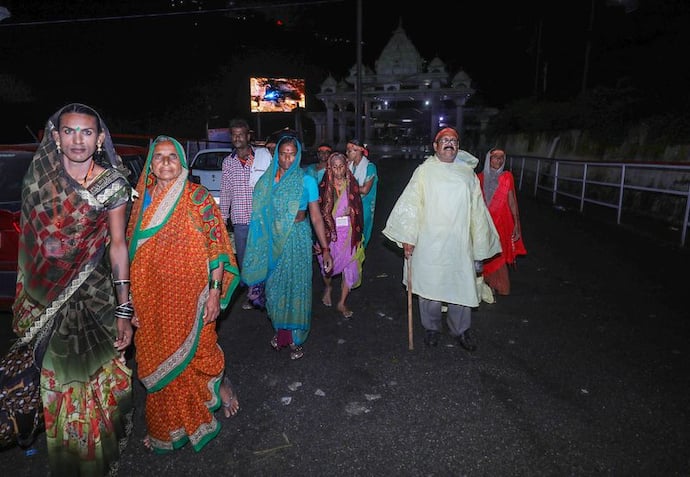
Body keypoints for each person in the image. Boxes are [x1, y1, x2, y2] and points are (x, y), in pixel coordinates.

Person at [8, 103, 134, 475]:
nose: (77, 139)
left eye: (86, 132)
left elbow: (118, 245)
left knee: (99, 379)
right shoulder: (39, 183)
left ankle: (98, 457)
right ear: (56, 138)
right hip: (47, 301)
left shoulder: (112, 184)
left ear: (99, 140)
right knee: (59, 386)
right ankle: (72, 460)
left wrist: (124, 308)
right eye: (69, 131)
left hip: (96, 299)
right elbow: (30, 245)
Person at [126, 136, 241, 454]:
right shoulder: (141, 202)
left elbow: (217, 248)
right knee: (156, 360)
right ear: (150, 163)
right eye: (158, 157)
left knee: (199, 351)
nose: (164, 163)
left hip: (194, 297)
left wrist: (215, 293)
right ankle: (165, 426)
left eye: (171, 157)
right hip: (151, 299)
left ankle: (221, 387)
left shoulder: (199, 197)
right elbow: (133, 255)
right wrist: (132, 302)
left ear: (182, 163)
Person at [382, 127, 501, 351]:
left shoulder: (468, 174)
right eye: (444, 140)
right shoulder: (424, 172)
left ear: (458, 146)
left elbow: (478, 210)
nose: (450, 144)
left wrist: (479, 244)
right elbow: (411, 206)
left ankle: (461, 330)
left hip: (459, 242)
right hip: (430, 242)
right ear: (435, 146)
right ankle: (432, 328)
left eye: (454, 141)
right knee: (430, 288)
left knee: (460, 286)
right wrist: (408, 237)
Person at [242, 135, 333, 360]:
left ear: (298, 154)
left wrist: (325, 248)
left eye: (292, 153)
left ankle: (295, 338)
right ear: (277, 155)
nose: (287, 158)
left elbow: (316, 217)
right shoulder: (267, 181)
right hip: (273, 241)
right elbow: (259, 214)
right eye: (283, 153)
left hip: (299, 237)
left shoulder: (306, 180)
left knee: (297, 287)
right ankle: (279, 330)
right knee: (275, 289)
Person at [218, 118, 271, 309]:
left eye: (241, 134)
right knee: (244, 259)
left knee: (263, 256)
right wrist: (222, 219)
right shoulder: (228, 163)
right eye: (234, 134)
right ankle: (251, 292)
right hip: (240, 220)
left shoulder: (262, 158)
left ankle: (264, 291)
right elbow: (225, 191)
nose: (238, 138)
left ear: (248, 135)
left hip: (261, 219)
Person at [317, 152, 365, 319]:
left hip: (349, 234)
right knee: (327, 268)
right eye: (334, 167)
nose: (338, 171)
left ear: (346, 166)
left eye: (341, 166)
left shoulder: (352, 185)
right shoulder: (324, 186)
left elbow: (358, 208)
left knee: (350, 267)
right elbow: (317, 214)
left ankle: (342, 302)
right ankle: (328, 287)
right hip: (330, 236)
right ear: (330, 168)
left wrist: (351, 211)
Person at [477, 148, 527, 295]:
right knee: (486, 252)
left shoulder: (507, 177)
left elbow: (512, 202)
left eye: (501, 158)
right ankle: (487, 284)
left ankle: (499, 284)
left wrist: (516, 224)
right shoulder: (479, 178)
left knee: (499, 252)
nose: (498, 161)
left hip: (502, 221)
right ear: (488, 159)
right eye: (494, 157)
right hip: (485, 222)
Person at [346, 139, 378, 248]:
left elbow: (365, 190)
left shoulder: (370, 167)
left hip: (364, 208)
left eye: (349, 151)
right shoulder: (348, 166)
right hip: (350, 206)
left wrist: (346, 187)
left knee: (360, 237)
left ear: (358, 151)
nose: (347, 153)